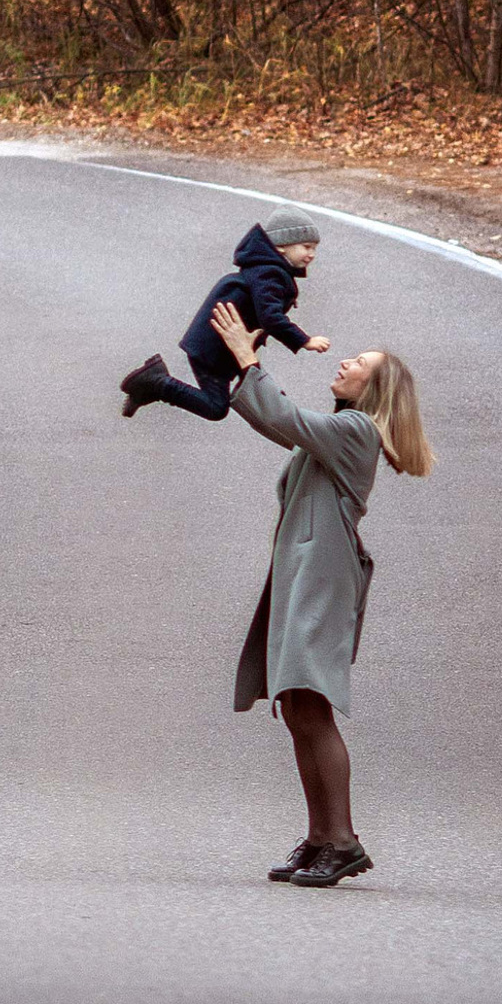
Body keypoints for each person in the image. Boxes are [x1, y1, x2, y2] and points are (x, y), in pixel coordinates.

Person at [209, 298, 434, 888]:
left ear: (374, 388)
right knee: (298, 709)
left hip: (323, 581)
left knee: (312, 705)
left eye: (359, 362)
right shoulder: (341, 432)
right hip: (309, 578)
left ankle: (342, 841)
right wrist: (241, 369)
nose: (345, 363)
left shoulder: (356, 431)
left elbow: (286, 420)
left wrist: (244, 357)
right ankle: (320, 837)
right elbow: (277, 422)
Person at [119, 206, 332, 423]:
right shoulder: (270, 273)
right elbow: (271, 317)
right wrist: (304, 340)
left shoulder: (266, 268)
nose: (311, 254)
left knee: (254, 382)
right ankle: (157, 382)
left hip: (225, 345)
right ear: (282, 246)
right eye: (306, 247)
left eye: (314, 248)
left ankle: (151, 385)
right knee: (216, 407)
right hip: (213, 348)